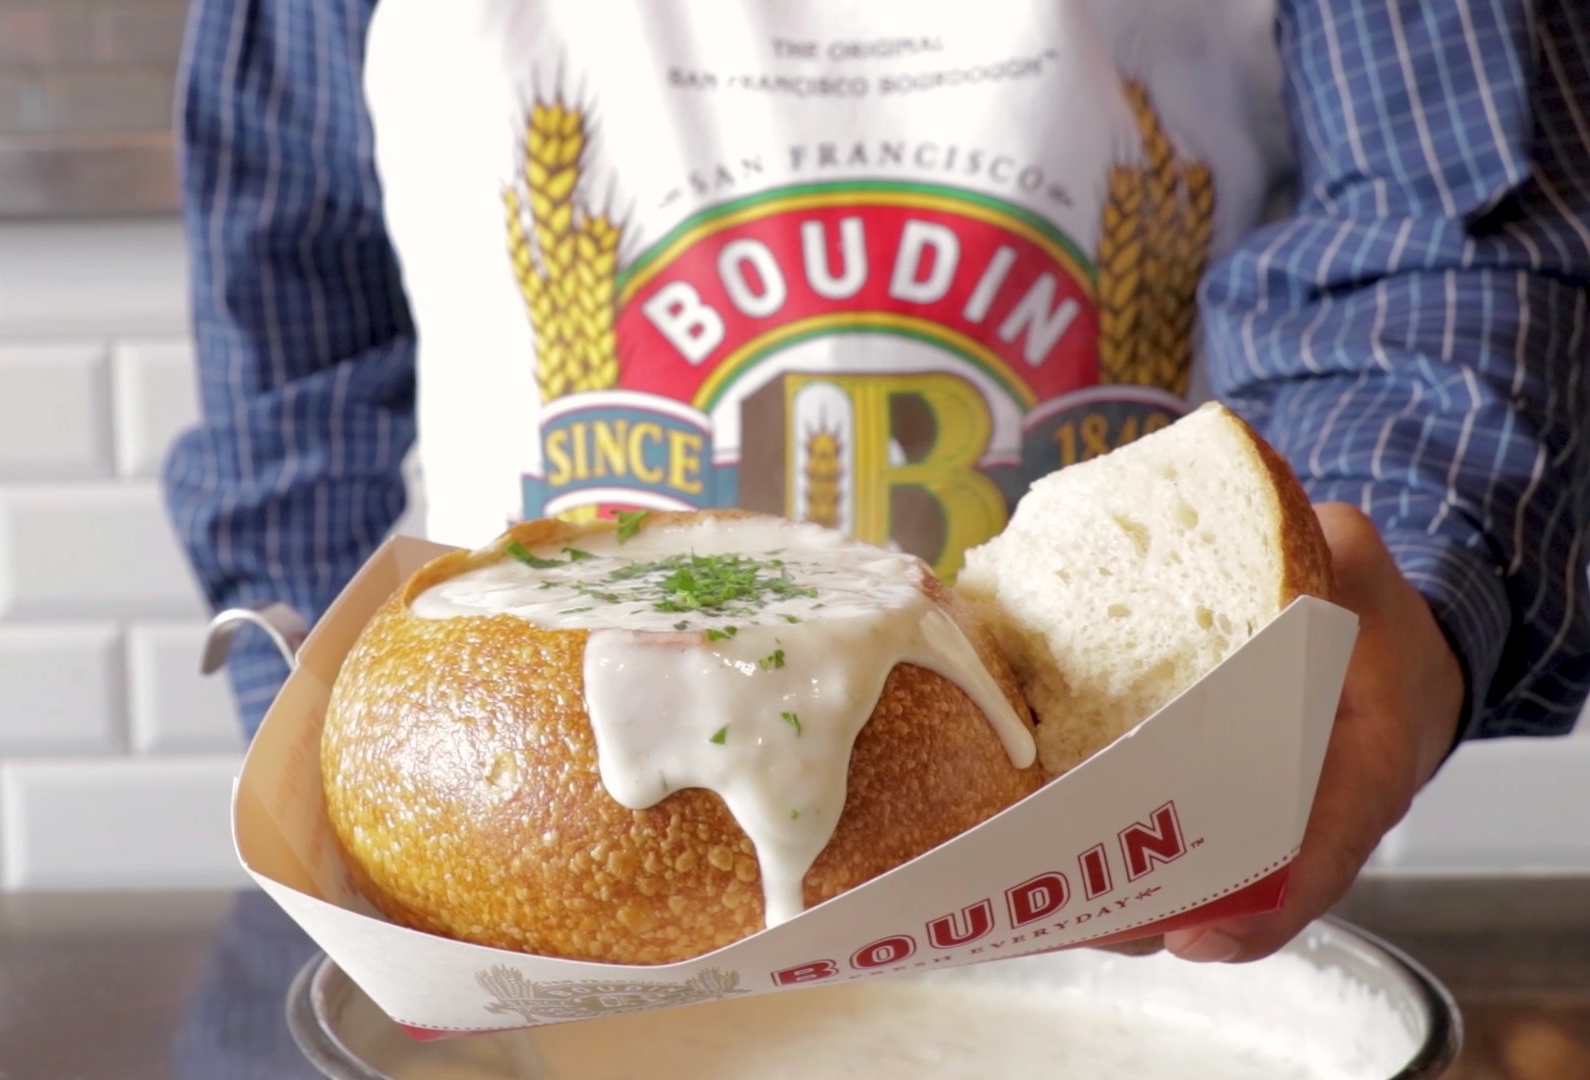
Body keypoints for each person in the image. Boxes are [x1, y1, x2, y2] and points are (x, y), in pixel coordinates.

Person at [163, 0, 1589, 967]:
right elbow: (292, 308)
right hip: (508, 910)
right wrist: (329, 799)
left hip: (1133, 893)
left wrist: (1388, 584)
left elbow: (1457, 227)